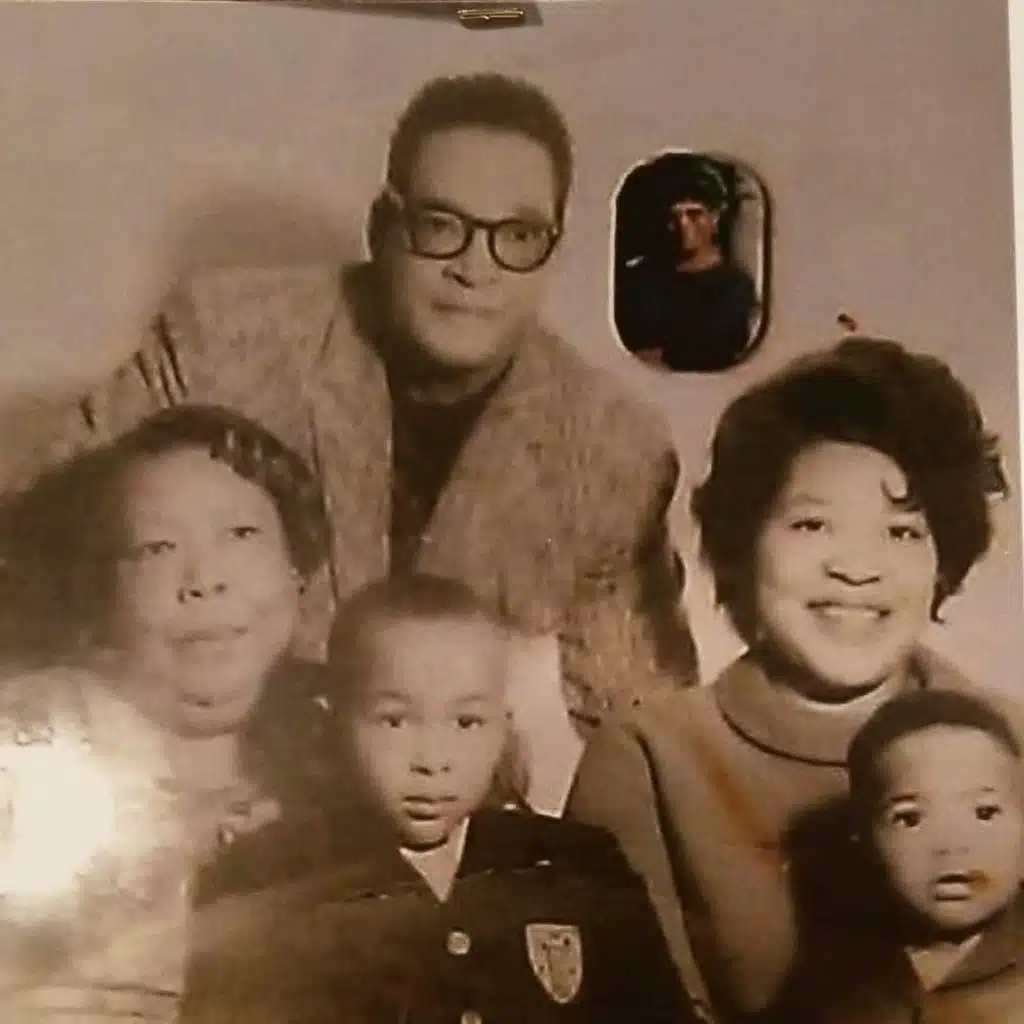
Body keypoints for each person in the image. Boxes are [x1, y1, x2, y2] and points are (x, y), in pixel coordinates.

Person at [1, 74, 698, 814]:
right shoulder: (225, 340)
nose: (475, 268)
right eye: (440, 225)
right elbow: (31, 548)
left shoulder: (609, 443)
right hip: (223, 793)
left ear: (552, 251)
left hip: (441, 821)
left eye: (518, 236)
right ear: (382, 227)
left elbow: (649, 729)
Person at [566, 336, 1017, 1020]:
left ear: (944, 559)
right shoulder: (647, 760)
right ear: (744, 543)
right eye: (812, 525)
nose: (857, 568)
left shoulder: (1014, 741)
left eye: (902, 532)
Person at [183, 573, 701, 1023]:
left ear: (504, 727)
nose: (433, 760)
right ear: (333, 721)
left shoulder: (578, 866)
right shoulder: (263, 880)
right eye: (395, 721)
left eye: (467, 722)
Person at [0, 405, 336, 1021]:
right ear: (103, 594)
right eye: (155, 548)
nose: (205, 580)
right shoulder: (32, 737)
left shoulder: (350, 735)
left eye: (241, 534)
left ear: (298, 571)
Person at [764, 689, 1024, 1022]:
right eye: (910, 819)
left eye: (984, 813)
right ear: (864, 839)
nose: (953, 845)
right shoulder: (833, 978)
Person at [616, 154, 758, 373]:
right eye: (674, 217)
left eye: (694, 214)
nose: (683, 225)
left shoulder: (735, 288)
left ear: (715, 218)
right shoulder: (639, 281)